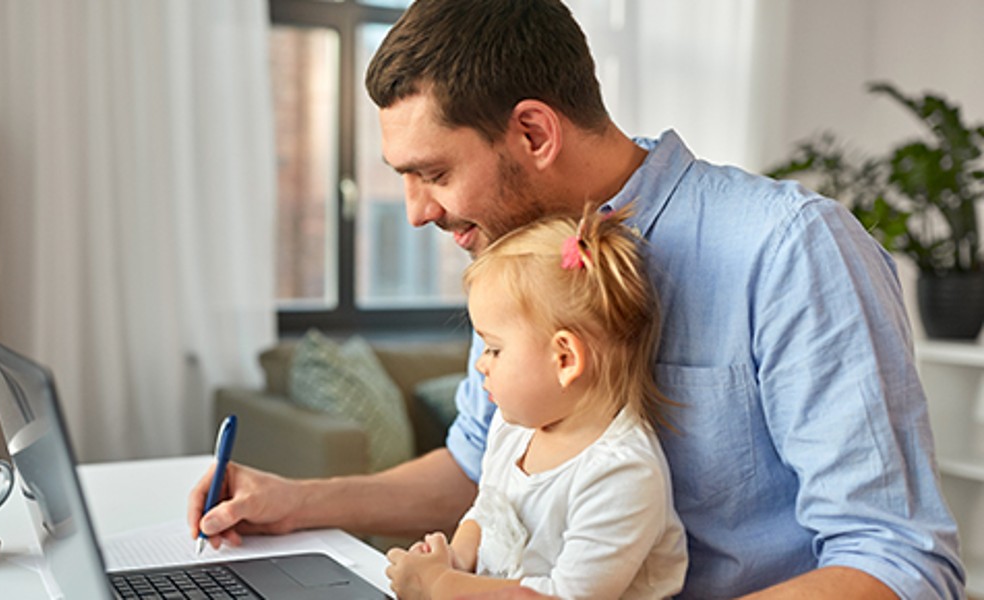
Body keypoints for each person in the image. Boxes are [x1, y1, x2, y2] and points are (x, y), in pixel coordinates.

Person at [188, 1, 966, 597]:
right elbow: (478, 466)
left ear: (533, 132)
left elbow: (895, 562)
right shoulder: (521, 256)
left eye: (431, 172)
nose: (418, 210)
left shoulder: (790, 249)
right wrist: (298, 502)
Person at [385, 208, 688, 599]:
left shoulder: (621, 473)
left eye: (494, 348)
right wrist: (455, 561)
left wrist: (439, 585)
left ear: (564, 359)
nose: (481, 364)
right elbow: (487, 513)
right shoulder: (513, 428)